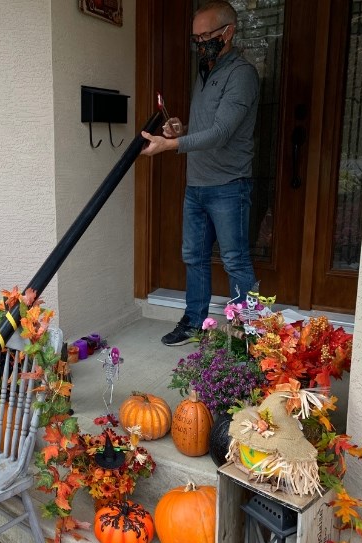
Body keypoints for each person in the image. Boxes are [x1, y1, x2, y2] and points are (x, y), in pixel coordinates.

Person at [140, 0, 259, 346]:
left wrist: (169, 146)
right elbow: (208, 128)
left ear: (228, 32)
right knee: (194, 258)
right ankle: (194, 322)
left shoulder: (242, 75)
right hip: (197, 185)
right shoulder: (205, 72)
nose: (199, 43)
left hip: (228, 185)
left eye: (205, 35)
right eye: (195, 38)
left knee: (236, 261)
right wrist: (181, 129)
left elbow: (222, 132)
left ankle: (246, 335)